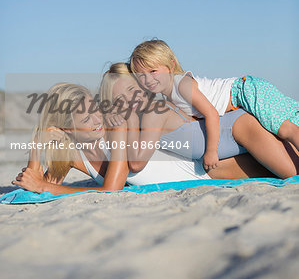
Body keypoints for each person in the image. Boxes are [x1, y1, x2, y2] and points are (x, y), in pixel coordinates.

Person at [14, 72, 299, 195]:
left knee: (292, 171)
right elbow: (38, 183)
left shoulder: (114, 131)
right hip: (208, 170)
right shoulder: (74, 154)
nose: (96, 119)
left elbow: (111, 189)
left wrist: (46, 186)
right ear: (66, 128)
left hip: (210, 166)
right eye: (85, 117)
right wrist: (38, 146)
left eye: (94, 109)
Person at [99, 63, 299, 179]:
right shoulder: (153, 112)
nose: (129, 101)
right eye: (120, 99)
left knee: (293, 174)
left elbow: (136, 163)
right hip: (226, 153)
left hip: (243, 129)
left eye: (132, 91)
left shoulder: (154, 112)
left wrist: (131, 120)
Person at [129, 39, 299, 170]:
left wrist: (211, 151)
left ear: (171, 65)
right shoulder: (169, 97)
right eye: (141, 75)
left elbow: (211, 114)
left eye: (153, 71)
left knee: (285, 129)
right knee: (283, 127)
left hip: (245, 90)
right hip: (242, 96)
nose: (148, 79)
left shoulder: (182, 85)